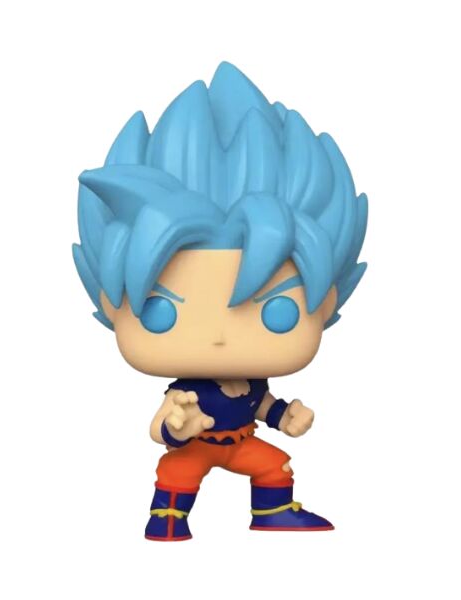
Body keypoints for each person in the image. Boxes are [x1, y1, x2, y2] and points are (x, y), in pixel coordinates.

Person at [73, 62, 368, 541]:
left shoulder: (251, 382)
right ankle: (167, 518)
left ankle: (273, 513)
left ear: (328, 299)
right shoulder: (185, 393)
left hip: (241, 443)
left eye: (276, 312)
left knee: (274, 463)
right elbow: (161, 429)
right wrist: (177, 425)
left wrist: (286, 417)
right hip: (196, 446)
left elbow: (263, 405)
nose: (217, 336)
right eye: (162, 312)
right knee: (177, 472)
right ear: (112, 305)